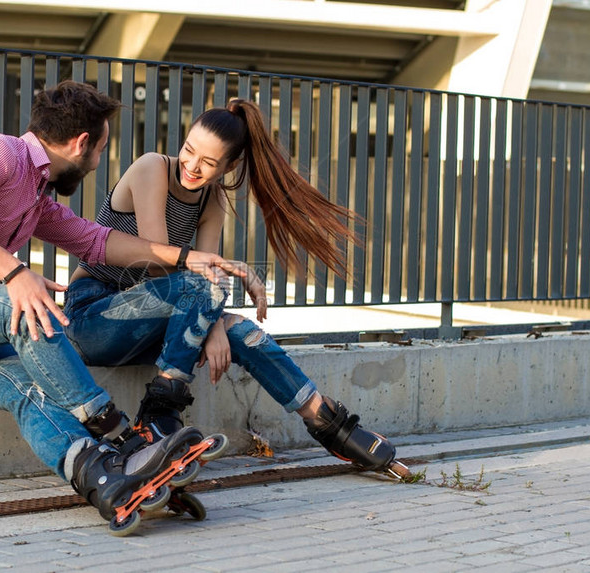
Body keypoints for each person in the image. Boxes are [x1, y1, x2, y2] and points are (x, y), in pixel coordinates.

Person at [0, 81, 251, 527]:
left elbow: (97, 241)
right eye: (100, 150)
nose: (99, 161)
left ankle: (108, 480)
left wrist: (188, 258)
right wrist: (16, 274)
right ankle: (123, 436)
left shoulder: (34, 197)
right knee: (19, 304)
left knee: (32, 391)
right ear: (82, 143)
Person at [63, 98, 407, 478]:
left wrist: (216, 324)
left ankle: (326, 422)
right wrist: (214, 320)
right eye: (189, 151)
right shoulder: (152, 168)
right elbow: (159, 262)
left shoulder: (212, 200)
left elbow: (201, 281)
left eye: (208, 163)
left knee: (242, 332)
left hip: (153, 322)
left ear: (229, 166)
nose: (192, 166)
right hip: (94, 316)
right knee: (212, 290)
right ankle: (160, 411)